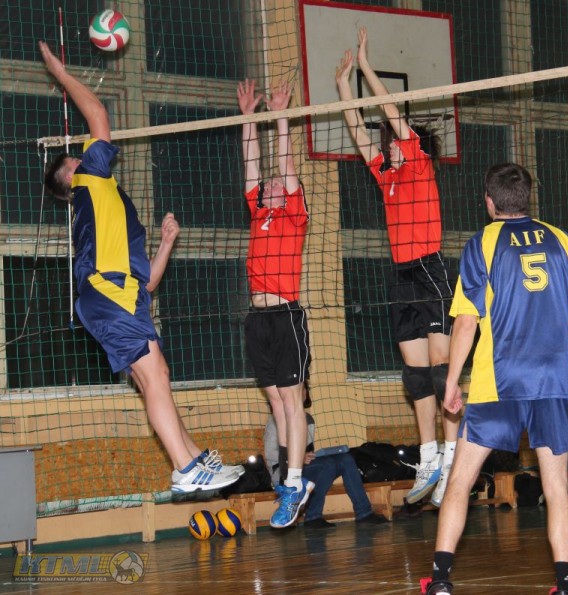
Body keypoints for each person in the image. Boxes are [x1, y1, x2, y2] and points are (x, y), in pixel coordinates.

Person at [39, 41, 242, 494]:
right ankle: (186, 468)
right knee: (155, 377)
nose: (86, 153)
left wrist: (166, 244)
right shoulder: (90, 180)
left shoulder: (101, 204)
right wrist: (60, 73)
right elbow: (98, 113)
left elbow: (147, 282)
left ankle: (193, 457)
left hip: (120, 294)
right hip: (110, 294)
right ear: (72, 175)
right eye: (77, 156)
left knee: (156, 378)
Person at [421, 163, 568, 595]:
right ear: (527, 197)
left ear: (489, 202)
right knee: (556, 486)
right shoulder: (560, 240)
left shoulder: (482, 242)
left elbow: (466, 321)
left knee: (460, 480)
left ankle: (440, 580)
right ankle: (564, 584)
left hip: (497, 382)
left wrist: (451, 381)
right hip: (554, 383)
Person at [335, 27, 458, 507]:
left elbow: (390, 111)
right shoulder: (384, 175)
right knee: (415, 378)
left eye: (394, 139)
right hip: (401, 277)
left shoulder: (419, 165)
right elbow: (355, 128)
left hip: (431, 273)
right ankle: (429, 456)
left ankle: (453, 458)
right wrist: (343, 86)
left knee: (442, 374)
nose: (385, 142)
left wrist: (367, 67)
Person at [237, 79, 313, 528]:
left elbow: (285, 164)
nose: (270, 183)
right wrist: (248, 117)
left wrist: (281, 117)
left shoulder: (293, 214)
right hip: (257, 318)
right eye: (267, 185)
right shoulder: (259, 212)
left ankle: (296, 480)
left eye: (278, 184)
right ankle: (288, 479)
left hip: (285, 313)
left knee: (292, 400)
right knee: (277, 403)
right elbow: (252, 163)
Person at [264, 385, 388, 528]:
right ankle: (313, 515)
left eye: (303, 389)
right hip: (283, 472)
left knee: (345, 459)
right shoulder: (275, 421)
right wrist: (298, 459)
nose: (301, 392)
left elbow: (307, 449)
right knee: (327, 464)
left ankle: (364, 513)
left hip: (303, 467)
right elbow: (271, 456)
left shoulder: (308, 419)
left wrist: (307, 457)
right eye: (299, 389)